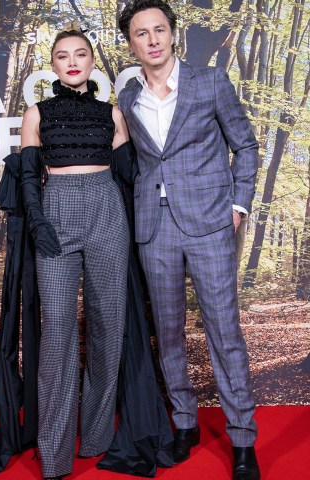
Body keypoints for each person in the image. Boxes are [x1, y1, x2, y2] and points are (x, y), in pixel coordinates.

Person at [117, 1, 261, 479]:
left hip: (210, 225)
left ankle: (243, 439)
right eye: (142, 33)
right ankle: (184, 423)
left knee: (224, 332)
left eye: (160, 29)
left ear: (173, 34)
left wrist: (237, 207)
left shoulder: (211, 82)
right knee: (171, 334)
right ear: (132, 42)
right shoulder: (128, 95)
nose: (153, 39)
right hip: (154, 228)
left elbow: (246, 144)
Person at [20, 29, 131, 480]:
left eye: (80, 54)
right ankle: (55, 454)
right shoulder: (36, 113)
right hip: (56, 210)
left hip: (107, 209)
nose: (71, 62)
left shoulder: (113, 114)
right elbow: (28, 174)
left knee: (109, 326)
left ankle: (98, 437)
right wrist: (37, 220)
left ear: (91, 62)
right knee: (58, 334)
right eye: (62, 56)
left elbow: (129, 178)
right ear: (53, 64)